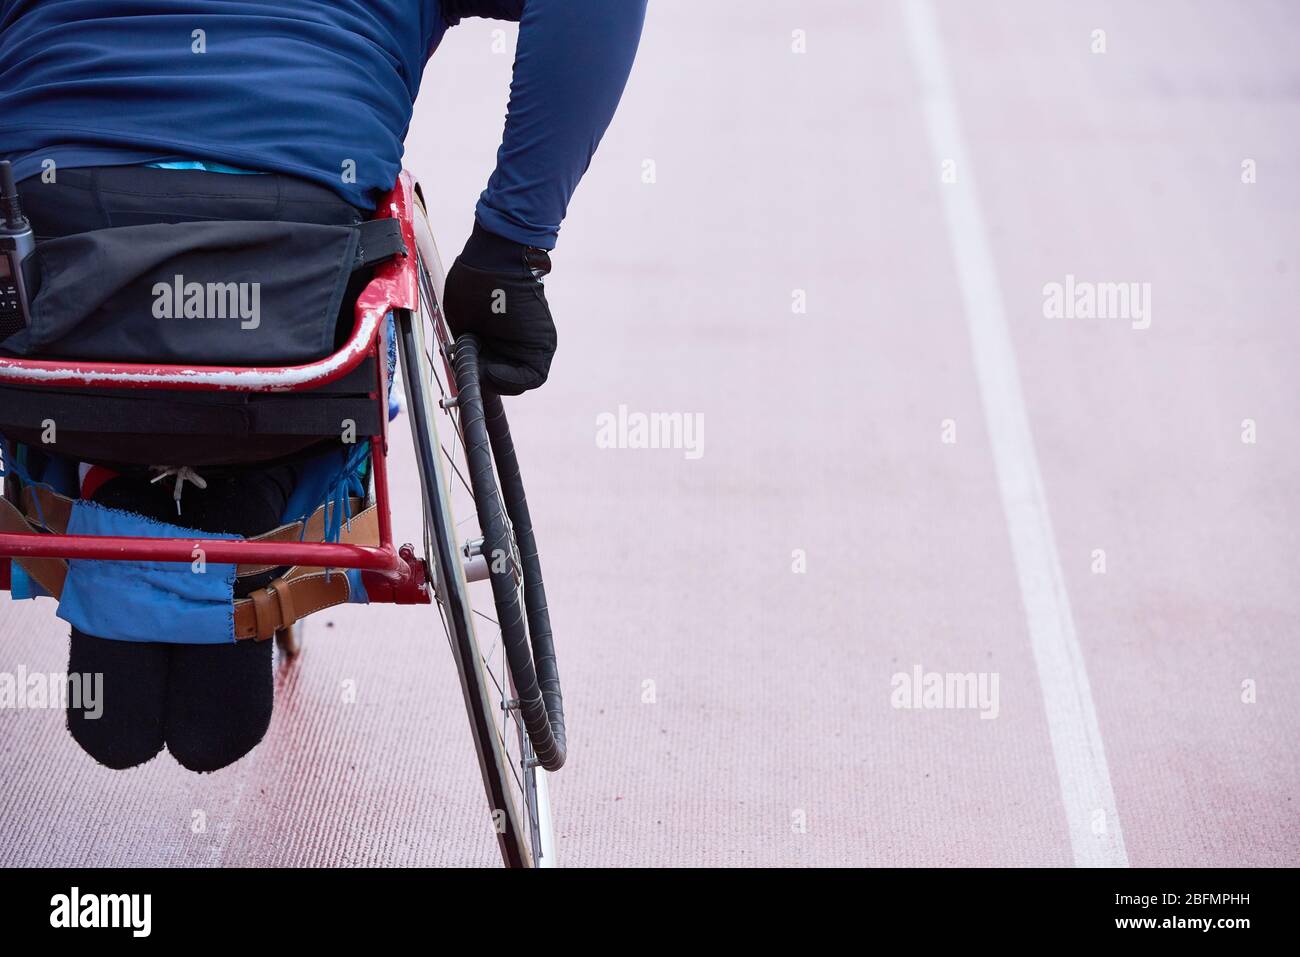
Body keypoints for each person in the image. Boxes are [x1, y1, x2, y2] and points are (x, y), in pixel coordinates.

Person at [0, 0, 646, 772]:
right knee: (317, 312)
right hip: (295, 300)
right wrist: (514, 247)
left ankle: (118, 490)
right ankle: (243, 502)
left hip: (50, 276)